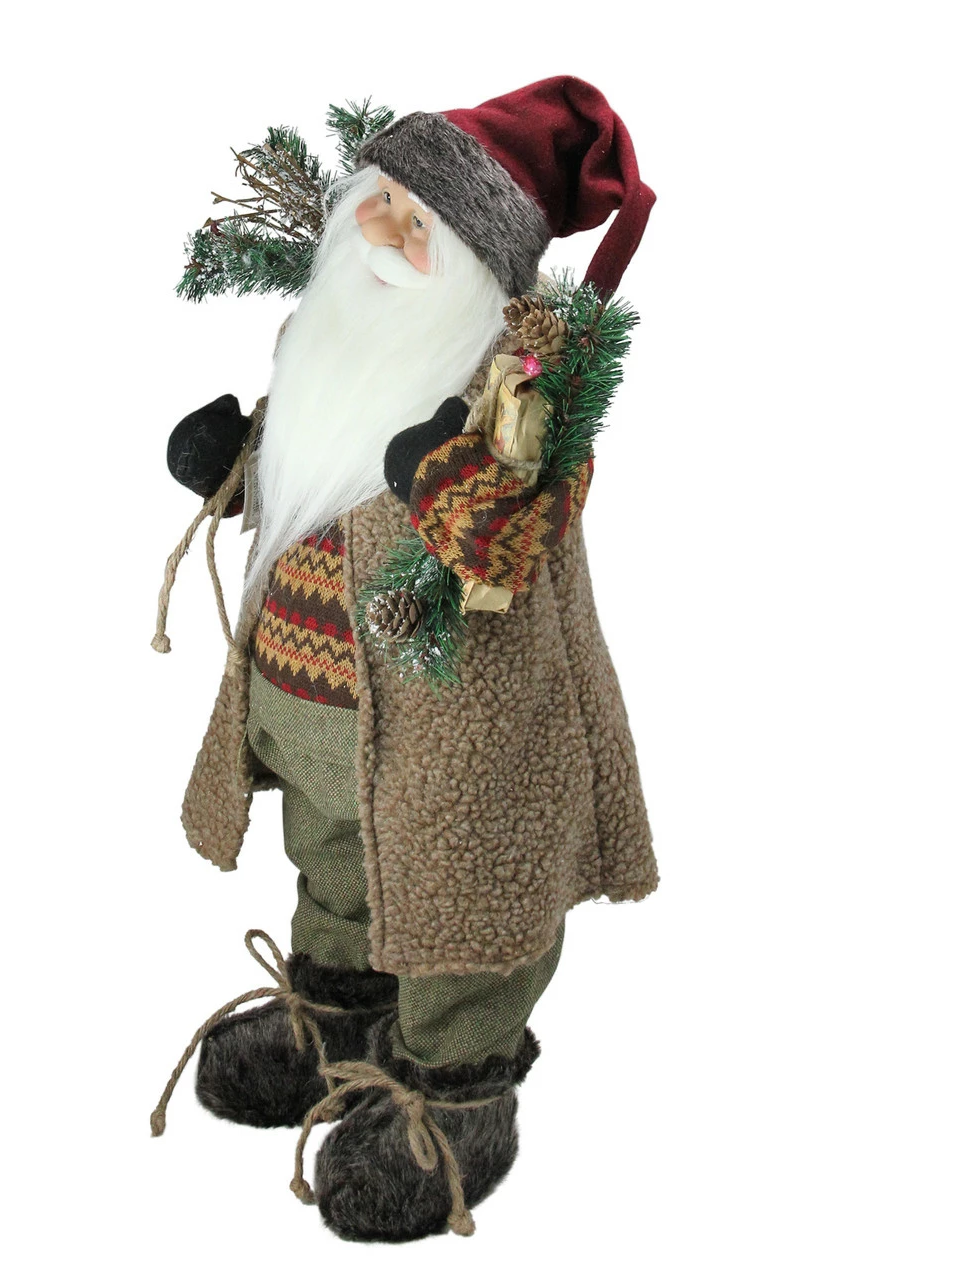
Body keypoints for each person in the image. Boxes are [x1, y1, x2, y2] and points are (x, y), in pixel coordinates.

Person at [164, 76, 659, 1242]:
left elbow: (518, 528)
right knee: (333, 864)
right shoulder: (326, 341)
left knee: (460, 907)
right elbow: (312, 469)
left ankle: (452, 1089)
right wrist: (236, 465)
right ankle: (336, 1013)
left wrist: (439, 474)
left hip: (454, 737)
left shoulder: (515, 392)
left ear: (479, 261)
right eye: (376, 199)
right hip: (310, 712)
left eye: (418, 220)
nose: (381, 231)